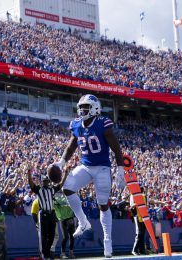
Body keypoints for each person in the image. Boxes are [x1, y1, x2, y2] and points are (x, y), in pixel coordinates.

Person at [52, 94, 125, 258]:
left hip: (102, 168)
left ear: (95, 108)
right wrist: (61, 163)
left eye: (85, 107)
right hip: (85, 166)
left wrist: (120, 169)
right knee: (67, 188)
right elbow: (71, 146)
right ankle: (83, 222)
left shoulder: (102, 123)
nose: (82, 110)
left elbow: (116, 148)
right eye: (81, 107)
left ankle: (107, 240)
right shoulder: (76, 125)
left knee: (102, 204)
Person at [27, 165, 68, 260]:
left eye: (47, 181)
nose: (46, 183)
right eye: (44, 181)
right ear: (42, 182)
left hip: (52, 214)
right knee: (44, 235)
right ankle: (43, 254)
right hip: (43, 214)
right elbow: (31, 184)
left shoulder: (52, 189)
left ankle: (47, 253)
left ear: (49, 182)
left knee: (52, 235)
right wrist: (29, 173)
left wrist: (65, 174)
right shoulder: (39, 190)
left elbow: (61, 184)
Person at [54, 191, 76, 259]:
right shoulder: (56, 198)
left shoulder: (70, 198)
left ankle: (71, 253)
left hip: (70, 218)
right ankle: (62, 253)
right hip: (63, 219)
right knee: (65, 237)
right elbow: (59, 202)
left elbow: (75, 205)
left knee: (72, 237)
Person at [130, 186, 147, 256]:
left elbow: (151, 201)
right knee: (139, 233)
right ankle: (134, 249)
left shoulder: (143, 196)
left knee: (142, 233)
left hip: (143, 216)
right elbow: (131, 206)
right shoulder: (133, 196)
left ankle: (142, 250)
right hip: (137, 216)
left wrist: (162, 202)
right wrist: (138, 203)